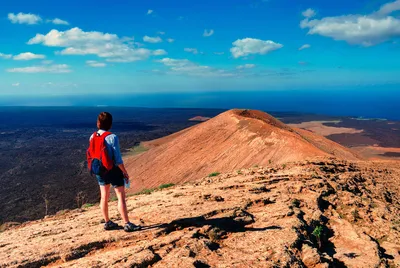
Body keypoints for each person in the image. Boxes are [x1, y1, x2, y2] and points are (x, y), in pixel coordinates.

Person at [90, 112, 140, 232]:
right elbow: (117, 159)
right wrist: (124, 172)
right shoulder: (112, 137)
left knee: (104, 197)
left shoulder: (92, 136)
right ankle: (127, 224)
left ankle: (107, 222)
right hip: (112, 170)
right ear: (110, 124)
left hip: (99, 170)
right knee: (120, 197)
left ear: (98, 123)